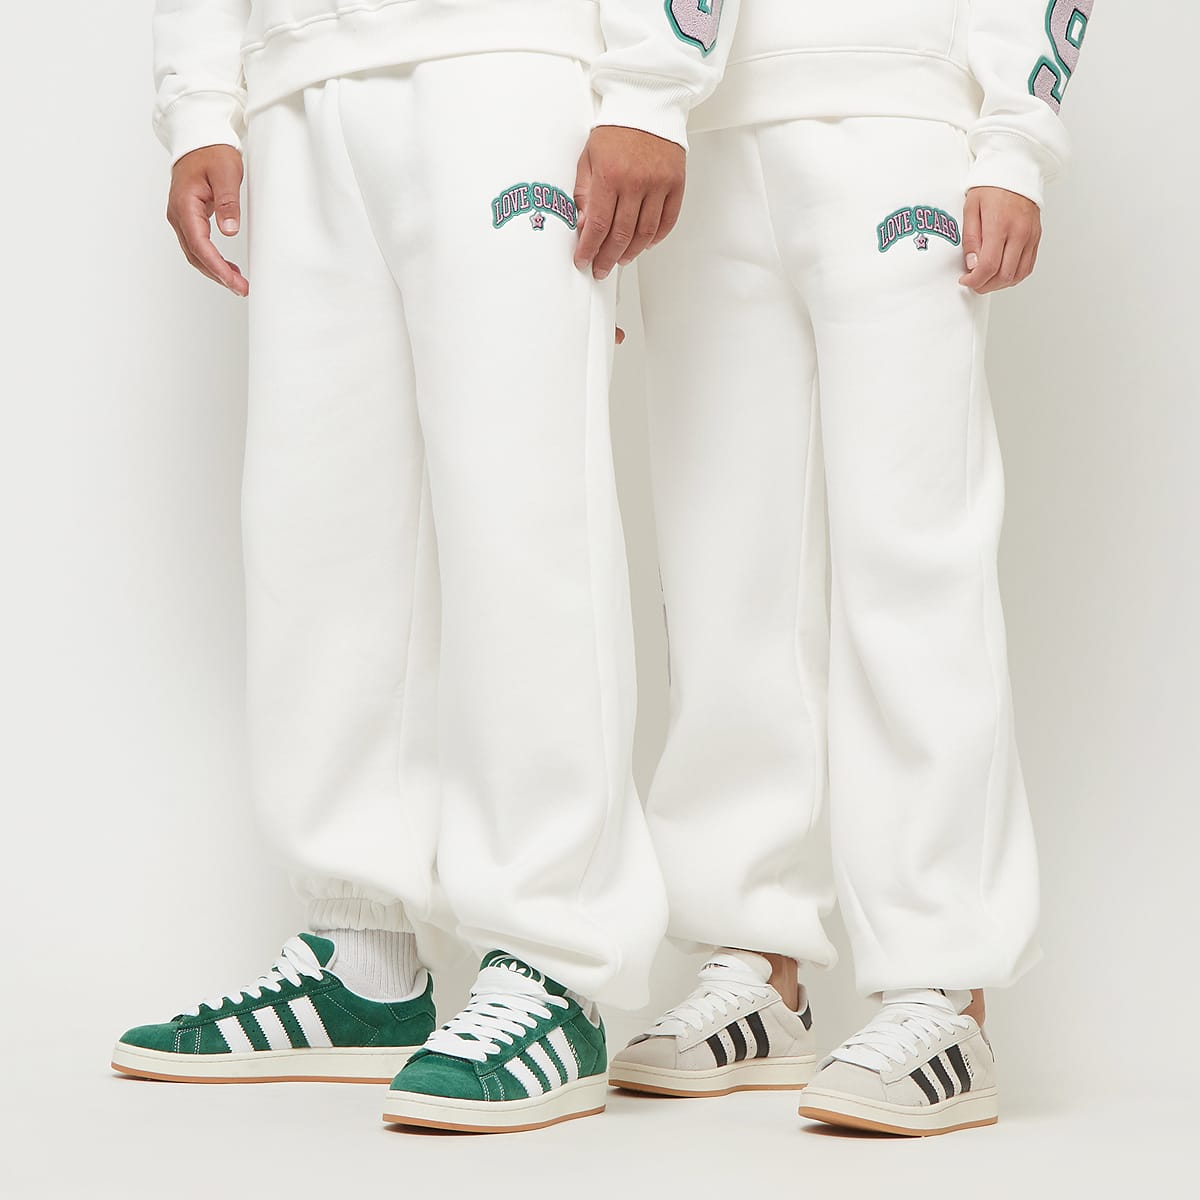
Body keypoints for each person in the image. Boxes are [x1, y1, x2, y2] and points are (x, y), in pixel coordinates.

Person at [111, 0, 727, 1135]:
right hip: (299, 79)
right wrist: (200, 96)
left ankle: (556, 958)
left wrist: (654, 80)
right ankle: (364, 960)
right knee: (321, 526)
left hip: (510, 59)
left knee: (524, 510)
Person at [609, 0, 1093, 1136]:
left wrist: (1016, 137)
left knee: (910, 554)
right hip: (701, 134)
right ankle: (754, 960)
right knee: (724, 569)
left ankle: (943, 982)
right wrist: (633, 100)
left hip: (900, 120)